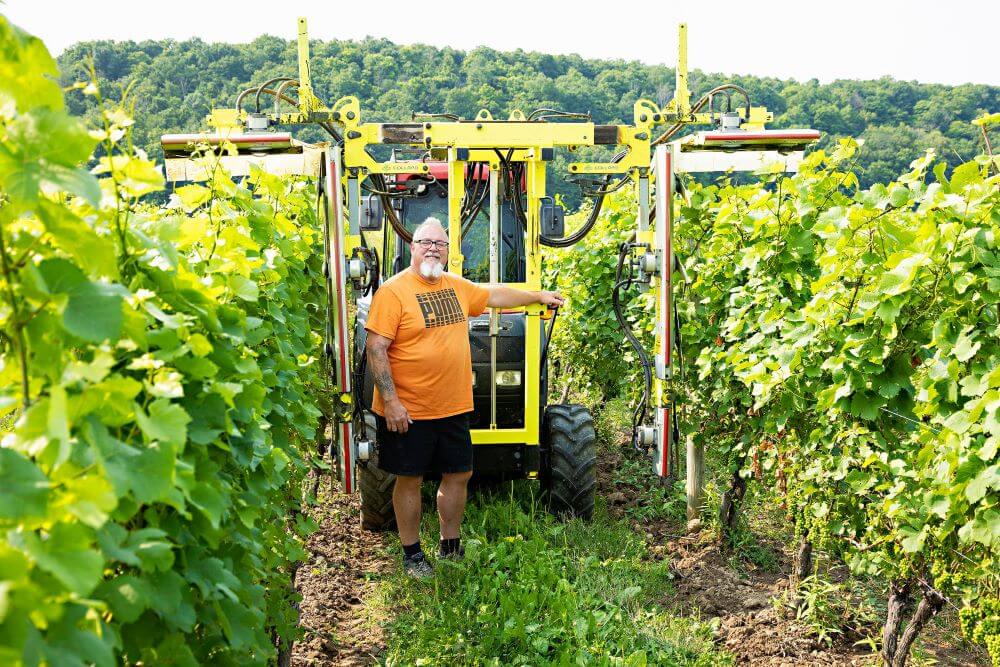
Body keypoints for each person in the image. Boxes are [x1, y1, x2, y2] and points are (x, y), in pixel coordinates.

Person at [364, 217, 564, 578]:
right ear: (412, 246)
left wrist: (536, 296)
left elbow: (493, 295)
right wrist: (391, 401)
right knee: (409, 479)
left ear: (448, 252)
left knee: (459, 473)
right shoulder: (392, 292)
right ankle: (411, 555)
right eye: (425, 242)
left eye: (440, 244)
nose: (432, 249)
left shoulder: (456, 287)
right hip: (408, 409)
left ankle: (449, 547)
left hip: (453, 405)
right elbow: (376, 348)